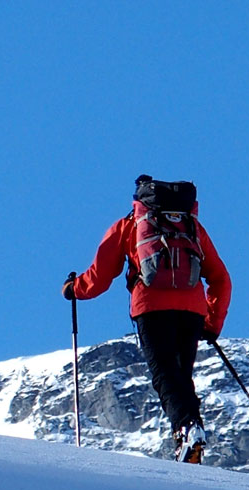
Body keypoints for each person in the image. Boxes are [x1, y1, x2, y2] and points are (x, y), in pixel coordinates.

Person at [63, 175, 231, 464]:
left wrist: (74, 289)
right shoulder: (192, 228)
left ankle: (188, 430)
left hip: (151, 308)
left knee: (166, 375)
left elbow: (101, 276)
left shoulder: (129, 226)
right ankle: (190, 438)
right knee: (181, 377)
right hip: (192, 311)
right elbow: (221, 279)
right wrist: (212, 324)